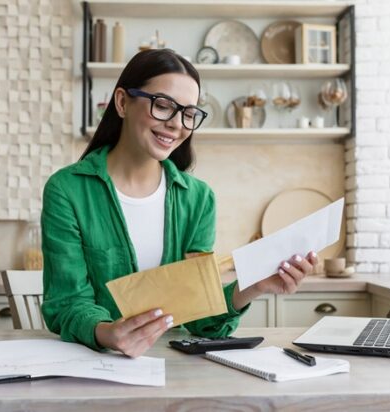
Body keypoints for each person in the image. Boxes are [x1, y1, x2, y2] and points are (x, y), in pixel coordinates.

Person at [41, 49, 318, 358]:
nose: (177, 124)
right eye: (163, 106)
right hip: (92, 364)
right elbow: (66, 303)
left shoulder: (198, 199)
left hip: (173, 366)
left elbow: (198, 314)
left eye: (188, 113)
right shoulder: (67, 190)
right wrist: (107, 334)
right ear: (122, 102)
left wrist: (253, 286)